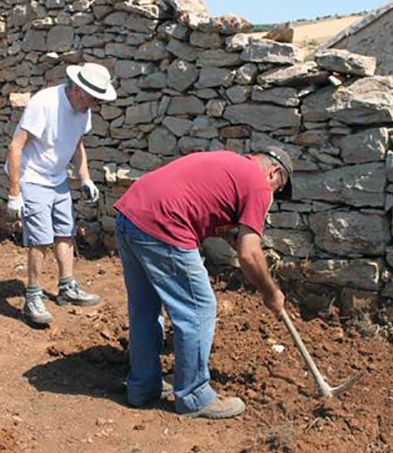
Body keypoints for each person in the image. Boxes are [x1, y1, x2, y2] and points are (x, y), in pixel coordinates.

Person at [113, 147, 294, 419]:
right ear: (275, 172)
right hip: (163, 225)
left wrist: (226, 235)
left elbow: (200, 203)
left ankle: (142, 387)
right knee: (199, 309)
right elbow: (250, 253)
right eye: (278, 189)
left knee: (145, 308)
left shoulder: (229, 163)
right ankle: (195, 396)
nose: (273, 196)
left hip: (129, 215)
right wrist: (271, 292)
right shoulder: (258, 184)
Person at [5, 62, 117, 326]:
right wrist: (15, 192)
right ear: (77, 89)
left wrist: (85, 178)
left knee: (65, 232)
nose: (95, 105)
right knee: (40, 238)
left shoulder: (83, 109)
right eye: (92, 98)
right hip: (32, 176)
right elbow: (15, 146)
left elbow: (77, 144)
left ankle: (67, 288)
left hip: (57, 178)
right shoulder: (44, 103)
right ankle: (33, 296)